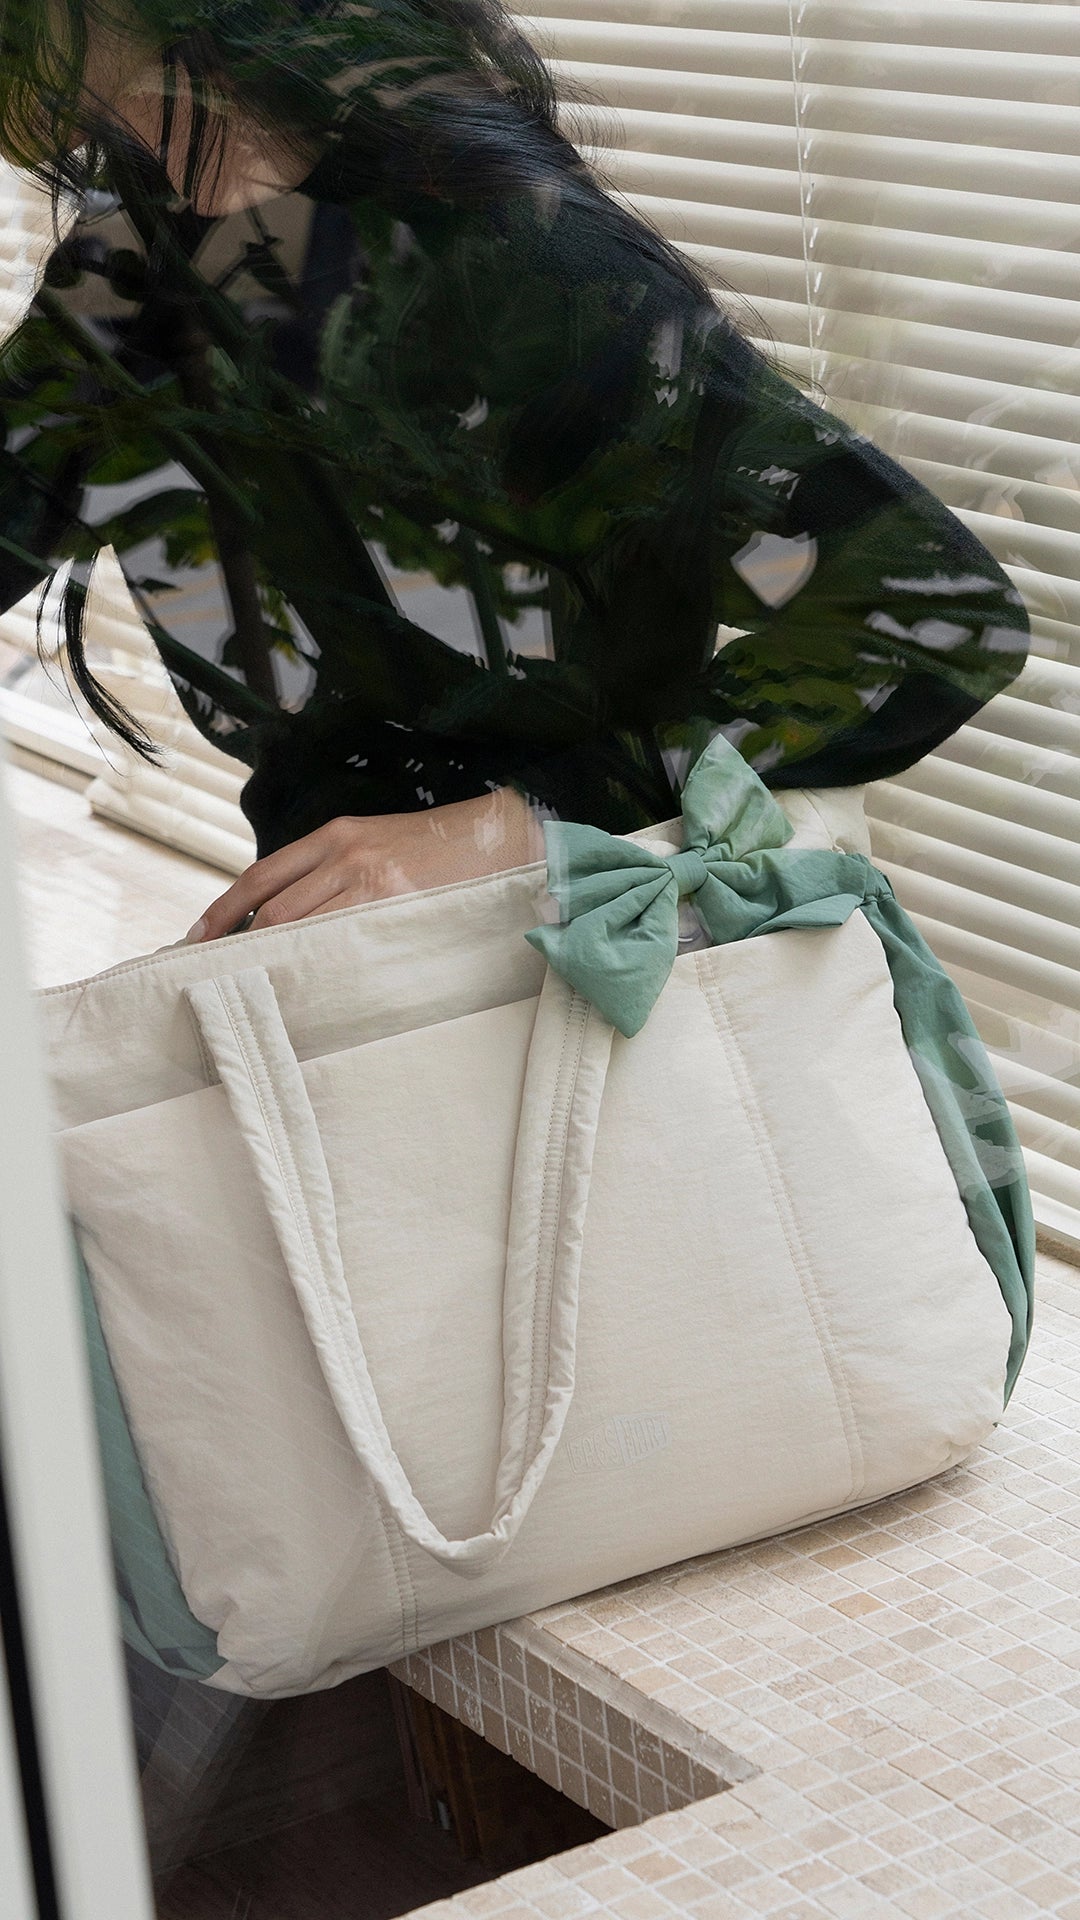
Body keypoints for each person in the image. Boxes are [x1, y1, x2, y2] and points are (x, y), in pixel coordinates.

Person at [0, 0, 1028, 939]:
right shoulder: (129, 262)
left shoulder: (512, 257)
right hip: (343, 955)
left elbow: (935, 612)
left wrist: (509, 826)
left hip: (583, 954)